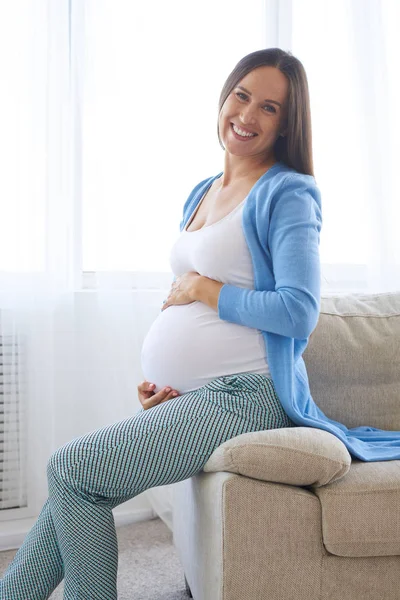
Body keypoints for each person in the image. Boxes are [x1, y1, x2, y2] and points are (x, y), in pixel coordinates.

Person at [1, 47, 320, 600]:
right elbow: (187, 300)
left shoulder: (289, 193)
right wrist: (175, 383)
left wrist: (205, 289)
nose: (247, 115)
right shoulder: (203, 190)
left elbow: (298, 311)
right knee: (74, 487)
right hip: (199, 396)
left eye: (270, 108)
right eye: (241, 96)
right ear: (224, 96)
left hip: (249, 394)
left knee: (73, 469)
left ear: (287, 123)